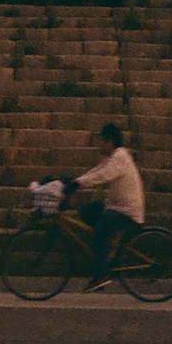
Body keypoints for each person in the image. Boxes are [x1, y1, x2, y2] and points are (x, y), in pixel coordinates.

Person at [64, 122, 146, 292]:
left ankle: (101, 274)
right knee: (86, 211)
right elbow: (96, 171)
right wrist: (75, 181)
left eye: (102, 140)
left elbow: (103, 175)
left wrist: (78, 184)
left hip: (125, 210)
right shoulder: (113, 157)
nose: (99, 144)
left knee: (99, 234)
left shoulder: (120, 157)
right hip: (114, 205)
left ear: (110, 142)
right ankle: (105, 252)